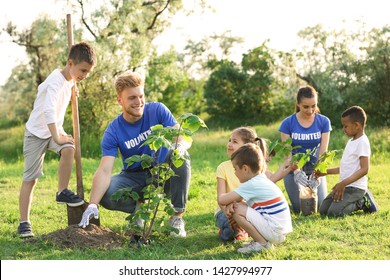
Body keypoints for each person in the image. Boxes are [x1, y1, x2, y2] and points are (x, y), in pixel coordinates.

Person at [78, 71, 191, 237]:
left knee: (180, 155)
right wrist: (93, 204)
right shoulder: (113, 130)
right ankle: (139, 211)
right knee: (107, 193)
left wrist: (180, 147)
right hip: (135, 177)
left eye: (141, 96)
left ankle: (176, 218)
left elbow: (181, 138)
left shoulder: (157, 110)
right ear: (119, 100)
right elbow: (104, 170)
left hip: (164, 173)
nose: (138, 102)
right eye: (132, 98)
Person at [17, 42, 97, 238]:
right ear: (70, 63)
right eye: (82, 70)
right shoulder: (54, 80)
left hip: (53, 131)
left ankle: (62, 191)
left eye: (87, 72)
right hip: (37, 133)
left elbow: (68, 84)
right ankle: (24, 223)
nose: (84, 75)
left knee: (69, 148)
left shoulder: (69, 79)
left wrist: (73, 90)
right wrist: (57, 136)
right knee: (31, 179)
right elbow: (48, 110)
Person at [215, 127, 291, 242]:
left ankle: (261, 243)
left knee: (237, 210)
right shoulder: (258, 177)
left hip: (274, 231)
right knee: (234, 217)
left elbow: (222, 199)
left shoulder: (250, 184)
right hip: (277, 230)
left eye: (236, 169)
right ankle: (255, 238)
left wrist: (231, 206)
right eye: (229, 140)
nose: (235, 172)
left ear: (245, 169)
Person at [278, 85, 332, 213]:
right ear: (298, 104)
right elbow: (288, 153)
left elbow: (322, 152)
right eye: (306, 106)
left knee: (319, 207)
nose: (310, 110)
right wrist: (296, 171)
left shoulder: (324, 122)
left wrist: (317, 173)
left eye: (313, 106)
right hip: (294, 169)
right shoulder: (287, 123)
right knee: (300, 208)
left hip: (314, 167)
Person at [317, 106, 378, 216]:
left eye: (345, 126)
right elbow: (345, 168)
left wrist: (342, 184)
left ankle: (363, 201)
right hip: (345, 187)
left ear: (357, 125)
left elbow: (365, 169)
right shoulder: (351, 141)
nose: (343, 129)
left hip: (355, 189)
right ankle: (354, 200)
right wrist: (324, 172)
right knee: (323, 210)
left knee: (334, 213)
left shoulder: (362, 142)